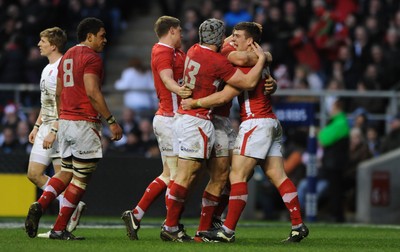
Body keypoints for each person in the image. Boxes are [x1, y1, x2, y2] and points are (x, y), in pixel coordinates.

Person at [182, 22, 308, 243]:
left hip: (256, 122)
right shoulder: (258, 58)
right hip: (271, 122)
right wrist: (265, 58)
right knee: (277, 176)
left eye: (237, 35)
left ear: (250, 41)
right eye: (232, 34)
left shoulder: (244, 59)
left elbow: (226, 90)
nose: (232, 39)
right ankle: (298, 225)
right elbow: (255, 62)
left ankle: (227, 230)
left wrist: (194, 103)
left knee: (236, 176)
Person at [160, 18, 267, 242]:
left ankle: (203, 231)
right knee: (186, 176)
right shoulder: (219, 61)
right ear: (220, 39)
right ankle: (170, 227)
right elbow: (246, 83)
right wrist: (264, 58)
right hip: (195, 119)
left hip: (200, 120)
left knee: (219, 175)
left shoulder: (194, 48)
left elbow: (228, 47)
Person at [24, 17, 123, 240]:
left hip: (66, 122)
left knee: (66, 172)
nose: (104, 40)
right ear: (89, 36)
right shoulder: (91, 57)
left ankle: (41, 204)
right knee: (79, 179)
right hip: (84, 123)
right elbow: (92, 92)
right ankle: (59, 228)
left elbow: (58, 93)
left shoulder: (67, 56)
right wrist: (111, 120)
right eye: (101, 35)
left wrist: (62, 118)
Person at [121, 15, 191, 240]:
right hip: (170, 119)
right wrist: (181, 91)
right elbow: (167, 79)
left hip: (173, 119)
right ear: (171, 30)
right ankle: (171, 227)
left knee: (170, 174)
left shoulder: (175, 52)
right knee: (177, 176)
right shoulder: (162, 51)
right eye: (179, 30)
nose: (182, 34)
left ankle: (137, 214)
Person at [25, 27, 86, 237]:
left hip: (59, 127)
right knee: (33, 174)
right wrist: (36, 125)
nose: (38, 44)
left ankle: (62, 225)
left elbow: (65, 102)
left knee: (63, 176)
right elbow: (47, 101)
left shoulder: (62, 67)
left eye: (42, 41)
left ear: (53, 45)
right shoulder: (47, 68)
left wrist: (54, 129)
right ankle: (71, 205)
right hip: (45, 126)